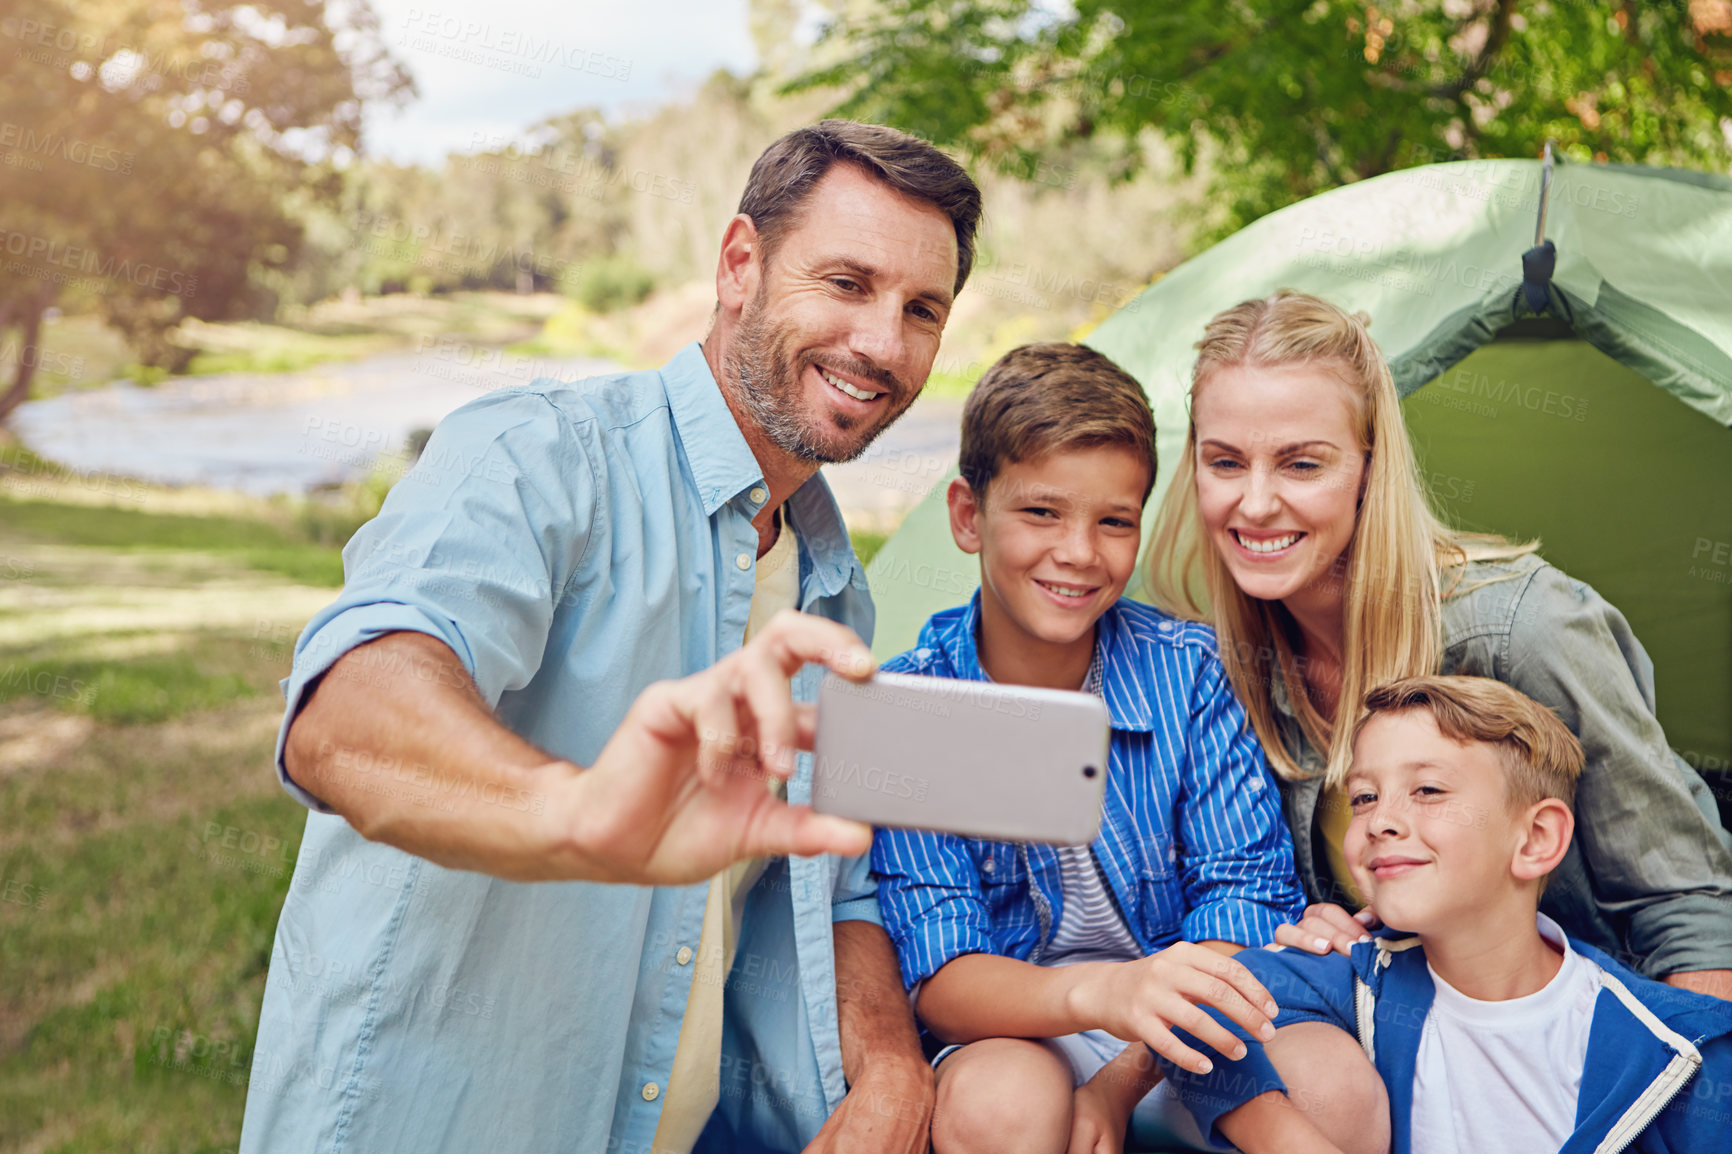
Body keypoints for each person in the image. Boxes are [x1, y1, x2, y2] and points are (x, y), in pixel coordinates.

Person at [238, 120, 983, 1154]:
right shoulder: (542, 455)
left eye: (921, 310)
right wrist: (575, 811)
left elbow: (827, 877)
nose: (882, 343)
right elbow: (347, 713)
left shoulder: (831, 590)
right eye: (847, 283)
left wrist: (892, 1063)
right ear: (739, 266)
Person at [1144, 289, 1732, 992]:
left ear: (1369, 469)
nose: (1258, 502)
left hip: (1590, 1051)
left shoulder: (1526, 629)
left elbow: (1688, 908)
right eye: (1226, 462)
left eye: (1303, 464)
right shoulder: (1222, 669)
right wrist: (1303, 932)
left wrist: (1675, 1090)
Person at [870, 344, 1308, 1154]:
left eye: (1114, 521)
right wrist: (1108, 993)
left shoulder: (1193, 673)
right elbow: (944, 974)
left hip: (1181, 1025)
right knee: (999, 1103)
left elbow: (1243, 902)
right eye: (1042, 513)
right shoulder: (913, 709)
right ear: (968, 515)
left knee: (1329, 1085)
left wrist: (1121, 1077)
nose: (1079, 552)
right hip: (1023, 1025)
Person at [1154, 674, 1732, 1154]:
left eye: (1428, 790)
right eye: (1364, 797)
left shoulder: (1684, 1046)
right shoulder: (1347, 977)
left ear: (1535, 839)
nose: (1380, 819)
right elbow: (1191, 1006)